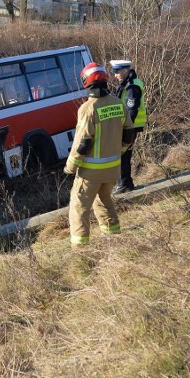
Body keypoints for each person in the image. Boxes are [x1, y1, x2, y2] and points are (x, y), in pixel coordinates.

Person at [64, 63, 135, 245]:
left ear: (86, 82)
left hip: (91, 172)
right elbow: (129, 135)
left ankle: (81, 251)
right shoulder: (118, 104)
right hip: (112, 170)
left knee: (79, 208)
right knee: (104, 202)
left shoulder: (88, 108)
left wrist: (70, 167)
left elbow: (82, 143)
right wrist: (118, 152)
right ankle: (114, 239)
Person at [109, 59, 146, 194]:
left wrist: (125, 128)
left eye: (117, 72)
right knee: (124, 153)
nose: (115, 75)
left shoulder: (132, 86)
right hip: (129, 125)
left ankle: (123, 184)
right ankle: (126, 183)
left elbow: (132, 110)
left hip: (131, 126)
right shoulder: (127, 84)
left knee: (122, 154)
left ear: (125, 71)